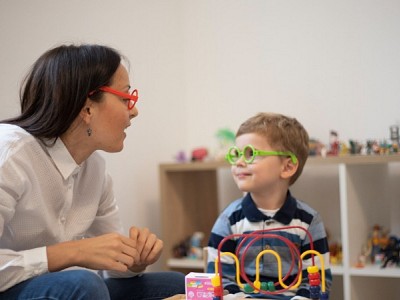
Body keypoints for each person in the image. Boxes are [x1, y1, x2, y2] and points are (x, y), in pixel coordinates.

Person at [0, 44, 185, 299]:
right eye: (125, 98)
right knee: (83, 285)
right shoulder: (10, 152)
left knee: (176, 284)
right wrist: (75, 252)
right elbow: (83, 263)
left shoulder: (95, 169)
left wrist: (134, 259)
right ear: (87, 108)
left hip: (74, 287)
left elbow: (109, 267)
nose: (134, 110)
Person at [206, 112, 332, 299]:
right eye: (236, 154)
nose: (239, 162)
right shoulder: (229, 220)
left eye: (250, 154)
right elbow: (219, 279)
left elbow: (318, 282)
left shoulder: (308, 221)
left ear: (287, 167)